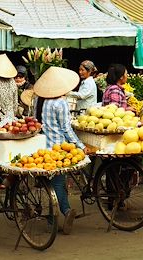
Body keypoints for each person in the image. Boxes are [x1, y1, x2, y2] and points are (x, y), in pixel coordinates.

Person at [33, 66, 89, 235]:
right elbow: (66, 128)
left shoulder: (38, 99)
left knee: (53, 182)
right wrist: (80, 145)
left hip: (41, 147)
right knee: (58, 182)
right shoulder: (60, 102)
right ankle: (63, 211)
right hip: (58, 148)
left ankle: (55, 216)